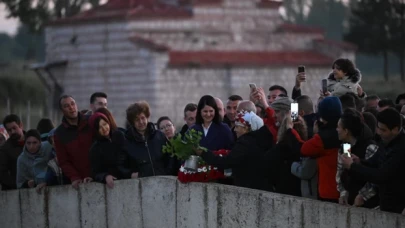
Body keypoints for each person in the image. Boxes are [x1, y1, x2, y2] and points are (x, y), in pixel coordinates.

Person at [341, 108, 405, 214]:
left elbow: (381, 175)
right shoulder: (386, 141)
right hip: (385, 204)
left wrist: (353, 166)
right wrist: (359, 162)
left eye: (383, 130)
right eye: (378, 128)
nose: (379, 132)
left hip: (398, 206)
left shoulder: (401, 148)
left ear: (395, 129)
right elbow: (374, 162)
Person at [195, 111, 272, 191]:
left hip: (249, 189)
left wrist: (203, 153)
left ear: (246, 128)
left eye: (237, 127)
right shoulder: (259, 141)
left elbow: (226, 162)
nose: (234, 130)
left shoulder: (245, 143)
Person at [301, 96, 343, 202]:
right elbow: (346, 156)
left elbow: (305, 149)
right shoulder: (345, 133)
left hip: (329, 191)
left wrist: (316, 133)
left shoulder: (323, 137)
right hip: (344, 190)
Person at [335, 109, 379, 208]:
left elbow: (376, 177)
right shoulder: (345, 147)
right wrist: (343, 193)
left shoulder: (369, 147)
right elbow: (341, 173)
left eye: (338, 127)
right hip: (351, 203)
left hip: (370, 205)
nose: (336, 130)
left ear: (346, 131)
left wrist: (362, 196)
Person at [124, 101, 175, 177]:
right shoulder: (127, 141)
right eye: (137, 120)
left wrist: (166, 173)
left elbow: (170, 157)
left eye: (143, 118)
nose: (141, 122)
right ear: (132, 122)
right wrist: (131, 175)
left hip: (163, 181)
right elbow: (122, 165)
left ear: (147, 117)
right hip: (140, 185)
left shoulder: (159, 136)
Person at [54, 95, 94, 189]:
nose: (71, 107)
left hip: (98, 176)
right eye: (66, 106)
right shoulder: (59, 134)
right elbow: (63, 161)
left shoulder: (90, 121)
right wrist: (74, 177)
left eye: (73, 104)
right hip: (79, 183)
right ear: (62, 110)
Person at [268, 114, 307, 197]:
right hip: (302, 194)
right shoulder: (306, 148)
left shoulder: (277, 149)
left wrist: (289, 130)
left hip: (281, 193)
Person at [89, 113, 126, 188]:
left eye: (105, 124)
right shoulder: (95, 148)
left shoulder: (120, 135)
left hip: (129, 177)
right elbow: (95, 172)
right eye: (99, 127)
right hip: (113, 183)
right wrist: (105, 176)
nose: (104, 128)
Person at [0, 114, 25, 190]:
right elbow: (2, 174)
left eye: (14, 128)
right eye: (9, 130)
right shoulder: (4, 150)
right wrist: (18, 185)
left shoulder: (34, 140)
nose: (12, 132)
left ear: (21, 125)